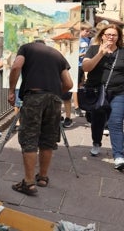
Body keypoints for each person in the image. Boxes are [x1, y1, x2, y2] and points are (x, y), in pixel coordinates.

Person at [8, 40, 73, 195]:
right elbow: (69, 84)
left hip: (34, 96)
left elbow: (16, 66)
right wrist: (54, 93)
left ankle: (29, 183)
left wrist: (11, 90)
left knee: (29, 137)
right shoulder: (57, 55)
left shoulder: (26, 48)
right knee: (47, 138)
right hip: (55, 100)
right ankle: (43, 177)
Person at [82, 24, 124, 166]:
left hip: (118, 92)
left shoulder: (122, 52)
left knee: (115, 123)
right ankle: (96, 142)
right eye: (108, 34)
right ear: (102, 36)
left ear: (118, 38)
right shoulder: (93, 49)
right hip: (97, 92)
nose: (111, 37)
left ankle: (119, 156)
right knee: (97, 121)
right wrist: (100, 53)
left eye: (114, 35)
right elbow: (86, 67)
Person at [73, 22, 93, 118]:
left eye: (89, 31)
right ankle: (76, 107)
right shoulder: (76, 40)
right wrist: (82, 55)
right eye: (87, 31)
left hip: (83, 65)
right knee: (75, 86)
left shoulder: (86, 39)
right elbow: (72, 53)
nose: (88, 33)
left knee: (81, 84)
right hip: (76, 65)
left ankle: (81, 104)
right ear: (81, 30)